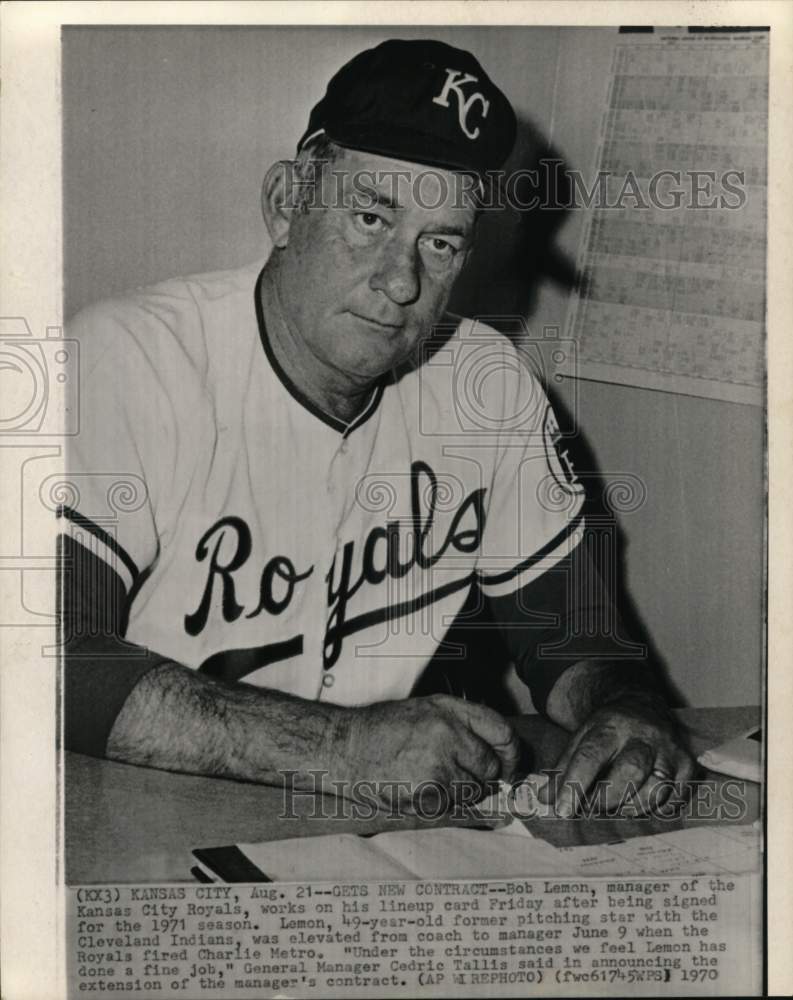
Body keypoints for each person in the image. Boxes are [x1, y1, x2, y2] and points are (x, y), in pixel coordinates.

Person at [60, 38, 693, 817]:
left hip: (362, 825)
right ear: (286, 205)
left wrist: (627, 710)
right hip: (136, 814)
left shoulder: (485, 384)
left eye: (439, 242)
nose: (400, 283)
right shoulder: (126, 358)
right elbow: (42, 658)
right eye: (370, 217)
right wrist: (340, 747)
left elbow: (572, 642)